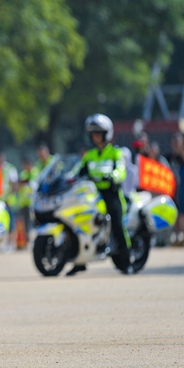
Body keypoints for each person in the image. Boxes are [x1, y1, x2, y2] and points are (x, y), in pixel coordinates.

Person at [75, 114, 130, 275]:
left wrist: (113, 176)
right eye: (93, 133)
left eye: (99, 132)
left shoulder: (115, 152)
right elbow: (78, 171)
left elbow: (121, 170)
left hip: (111, 194)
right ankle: (79, 262)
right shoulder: (89, 155)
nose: (96, 136)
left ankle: (127, 262)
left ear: (106, 134)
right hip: (92, 194)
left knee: (119, 226)